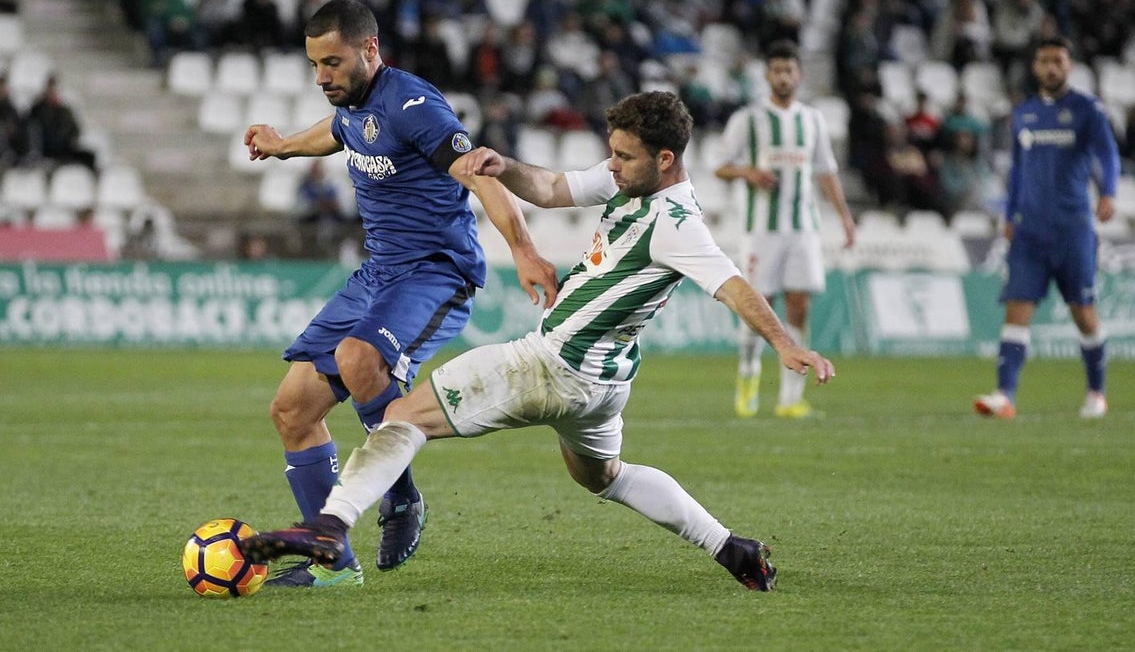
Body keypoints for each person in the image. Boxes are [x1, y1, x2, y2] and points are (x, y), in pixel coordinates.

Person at [239, 90, 837, 593]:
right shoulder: (631, 183)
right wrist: (503, 166)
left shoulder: (677, 225)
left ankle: (331, 526)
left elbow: (732, 286)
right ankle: (730, 548)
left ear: (665, 159)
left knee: (400, 416)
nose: (613, 166)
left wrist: (784, 344)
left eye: (624, 157)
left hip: (552, 367)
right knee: (605, 477)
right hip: (605, 387)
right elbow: (550, 186)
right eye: (612, 153)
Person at [243, 0, 558, 588]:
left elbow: (477, 172)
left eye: (332, 62)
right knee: (291, 411)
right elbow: (336, 134)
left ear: (370, 49)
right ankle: (333, 566)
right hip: (379, 274)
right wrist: (282, 145)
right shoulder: (351, 106)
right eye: (314, 65)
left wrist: (522, 249)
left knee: (358, 357)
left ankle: (402, 498)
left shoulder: (414, 105)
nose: (321, 77)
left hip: (436, 271)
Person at [974, 36, 1119, 421]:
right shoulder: (1025, 113)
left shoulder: (1087, 109)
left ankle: (1096, 392)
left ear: (1069, 65)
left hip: (1073, 229)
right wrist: (1010, 216)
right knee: (1017, 310)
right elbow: (1018, 170)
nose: (1051, 68)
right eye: (1044, 61)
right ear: (1035, 66)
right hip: (1030, 232)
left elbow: (1108, 153)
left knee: (1083, 313)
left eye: (1058, 60)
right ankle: (1004, 395)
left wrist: (1109, 191)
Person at [714, 40, 856, 420]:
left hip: (803, 228)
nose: (783, 77)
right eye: (777, 71)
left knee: (799, 306)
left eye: (789, 70)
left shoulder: (812, 119)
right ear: (767, 76)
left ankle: (791, 397)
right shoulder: (749, 119)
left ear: (799, 75)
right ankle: (748, 378)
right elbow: (720, 166)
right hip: (761, 229)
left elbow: (826, 171)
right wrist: (748, 172)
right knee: (758, 306)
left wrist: (845, 217)